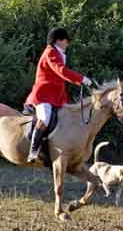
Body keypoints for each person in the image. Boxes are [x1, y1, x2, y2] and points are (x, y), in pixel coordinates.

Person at [25, 28, 94, 163]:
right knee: (44, 119)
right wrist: (81, 79)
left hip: (57, 97)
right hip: (43, 95)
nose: (68, 44)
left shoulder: (59, 53)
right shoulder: (50, 52)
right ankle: (33, 151)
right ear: (59, 40)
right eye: (66, 41)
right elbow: (61, 71)